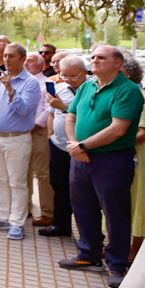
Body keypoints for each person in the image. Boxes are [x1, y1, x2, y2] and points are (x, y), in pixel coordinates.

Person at [59, 44, 145, 288]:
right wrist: (75, 145)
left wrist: (83, 146)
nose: (95, 60)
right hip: (80, 157)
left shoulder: (127, 90)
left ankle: (117, 264)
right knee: (83, 207)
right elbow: (71, 116)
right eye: (94, 56)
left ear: (118, 64)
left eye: (102, 57)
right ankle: (88, 255)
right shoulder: (87, 86)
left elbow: (118, 128)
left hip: (112, 160)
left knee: (115, 212)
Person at [0, 42, 41, 241]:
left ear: (23, 59)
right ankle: (1, 217)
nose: (6, 59)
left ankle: (16, 223)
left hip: (17, 139)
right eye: (5, 55)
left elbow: (24, 110)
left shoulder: (30, 83)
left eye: (11, 56)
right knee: (0, 180)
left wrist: (10, 88)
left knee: (17, 182)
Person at [41, 55, 89, 237]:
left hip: (82, 148)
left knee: (81, 191)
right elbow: (51, 114)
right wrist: (50, 135)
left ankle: (87, 234)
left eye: (73, 76)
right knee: (59, 185)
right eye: (64, 75)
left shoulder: (91, 90)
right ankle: (61, 225)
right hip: (58, 146)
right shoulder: (59, 88)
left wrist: (62, 106)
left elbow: (83, 116)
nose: (68, 80)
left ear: (84, 73)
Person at [122, 54, 145, 258]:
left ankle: (135, 250)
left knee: (139, 202)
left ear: (127, 73)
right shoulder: (114, 94)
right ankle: (116, 244)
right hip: (116, 156)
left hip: (139, 158)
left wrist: (115, 141)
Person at [24, 52, 54, 226]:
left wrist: (33, 125)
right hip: (21, 132)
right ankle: (25, 207)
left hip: (39, 132)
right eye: (25, 60)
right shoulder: (21, 82)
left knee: (42, 173)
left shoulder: (47, 83)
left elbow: (49, 109)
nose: (26, 63)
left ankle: (47, 212)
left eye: (30, 61)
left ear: (41, 65)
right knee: (23, 172)